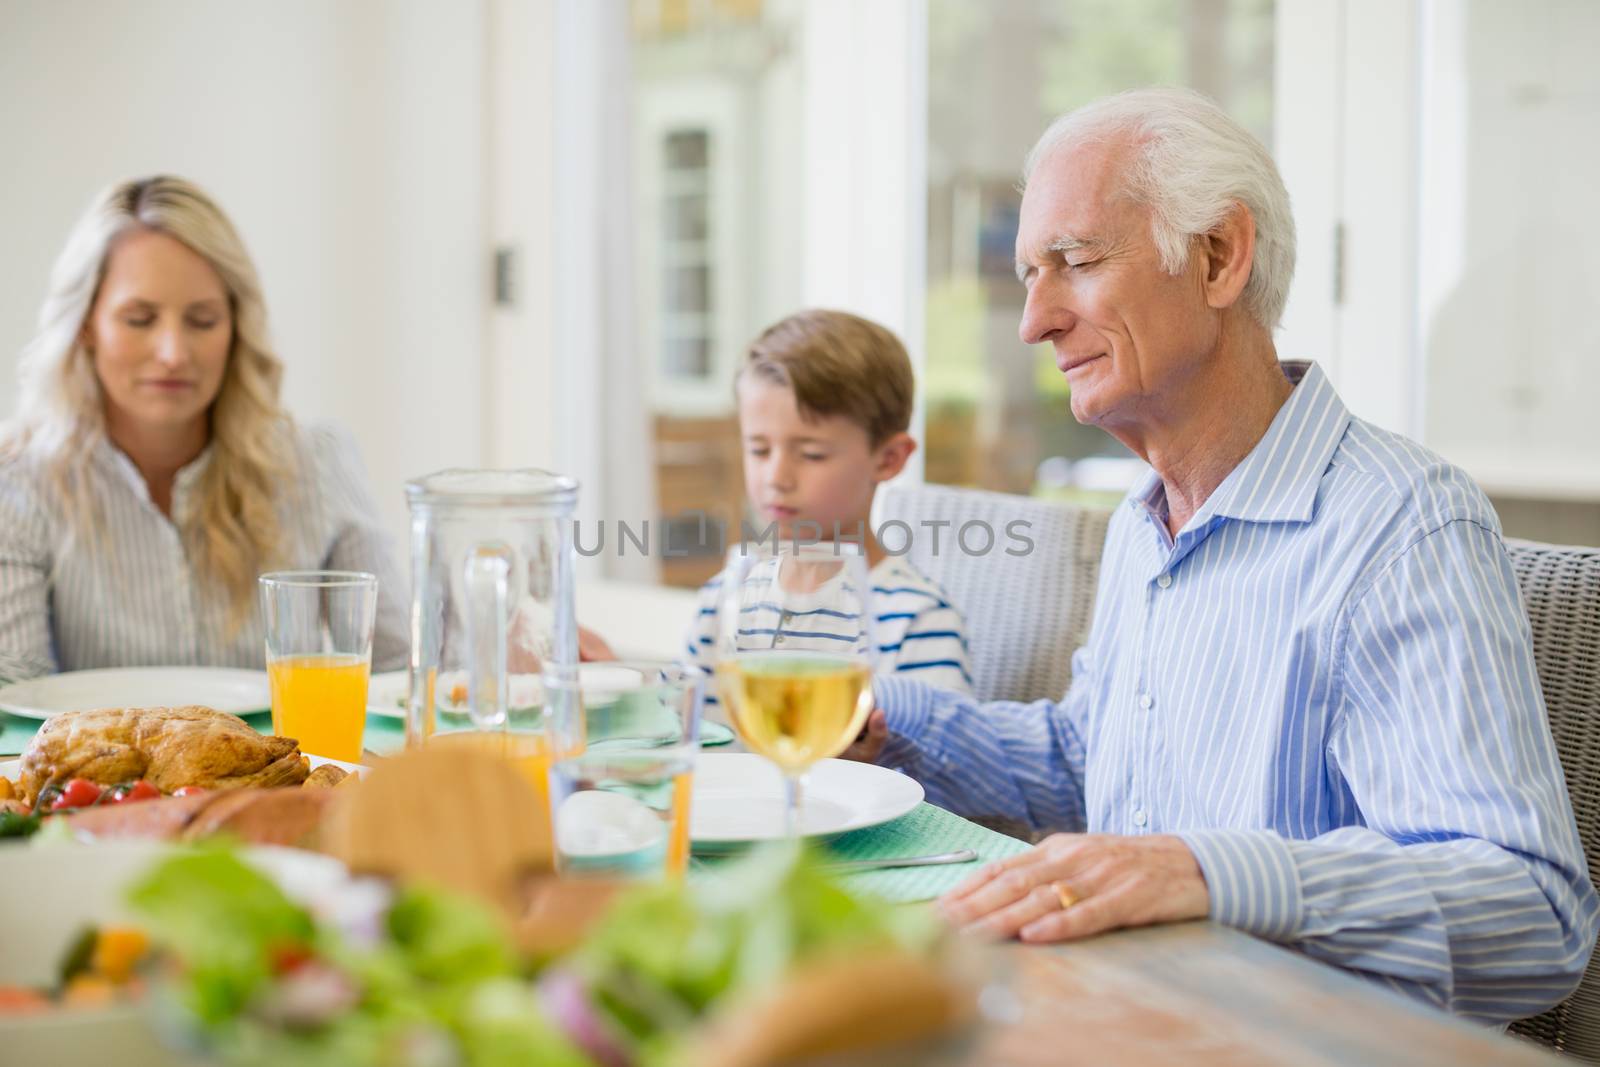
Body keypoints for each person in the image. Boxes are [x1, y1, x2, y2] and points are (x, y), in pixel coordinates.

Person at [845, 88, 1597, 1023]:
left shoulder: (1402, 526)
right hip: (1122, 1012)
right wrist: (888, 718)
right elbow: (1098, 766)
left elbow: (1533, 908)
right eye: (1030, 274)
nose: (1034, 321)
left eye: (1073, 262)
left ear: (1218, 257)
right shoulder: (1143, 520)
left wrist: (1204, 870)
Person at [0, 175, 407, 680]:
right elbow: (12, 707)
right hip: (97, 763)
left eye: (203, 320)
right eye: (140, 318)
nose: (173, 354)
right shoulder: (15, 483)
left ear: (236, 327)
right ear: (86, 324)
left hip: (283, 761)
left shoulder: (317, 463)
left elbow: (398, 675)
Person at [682, 309, 973, 700]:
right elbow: (686, 734)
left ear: (888, 459)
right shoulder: (724, 601)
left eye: (812, 454)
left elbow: (937, 757)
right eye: (759, 448)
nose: (776, 477)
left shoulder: (916, 621)